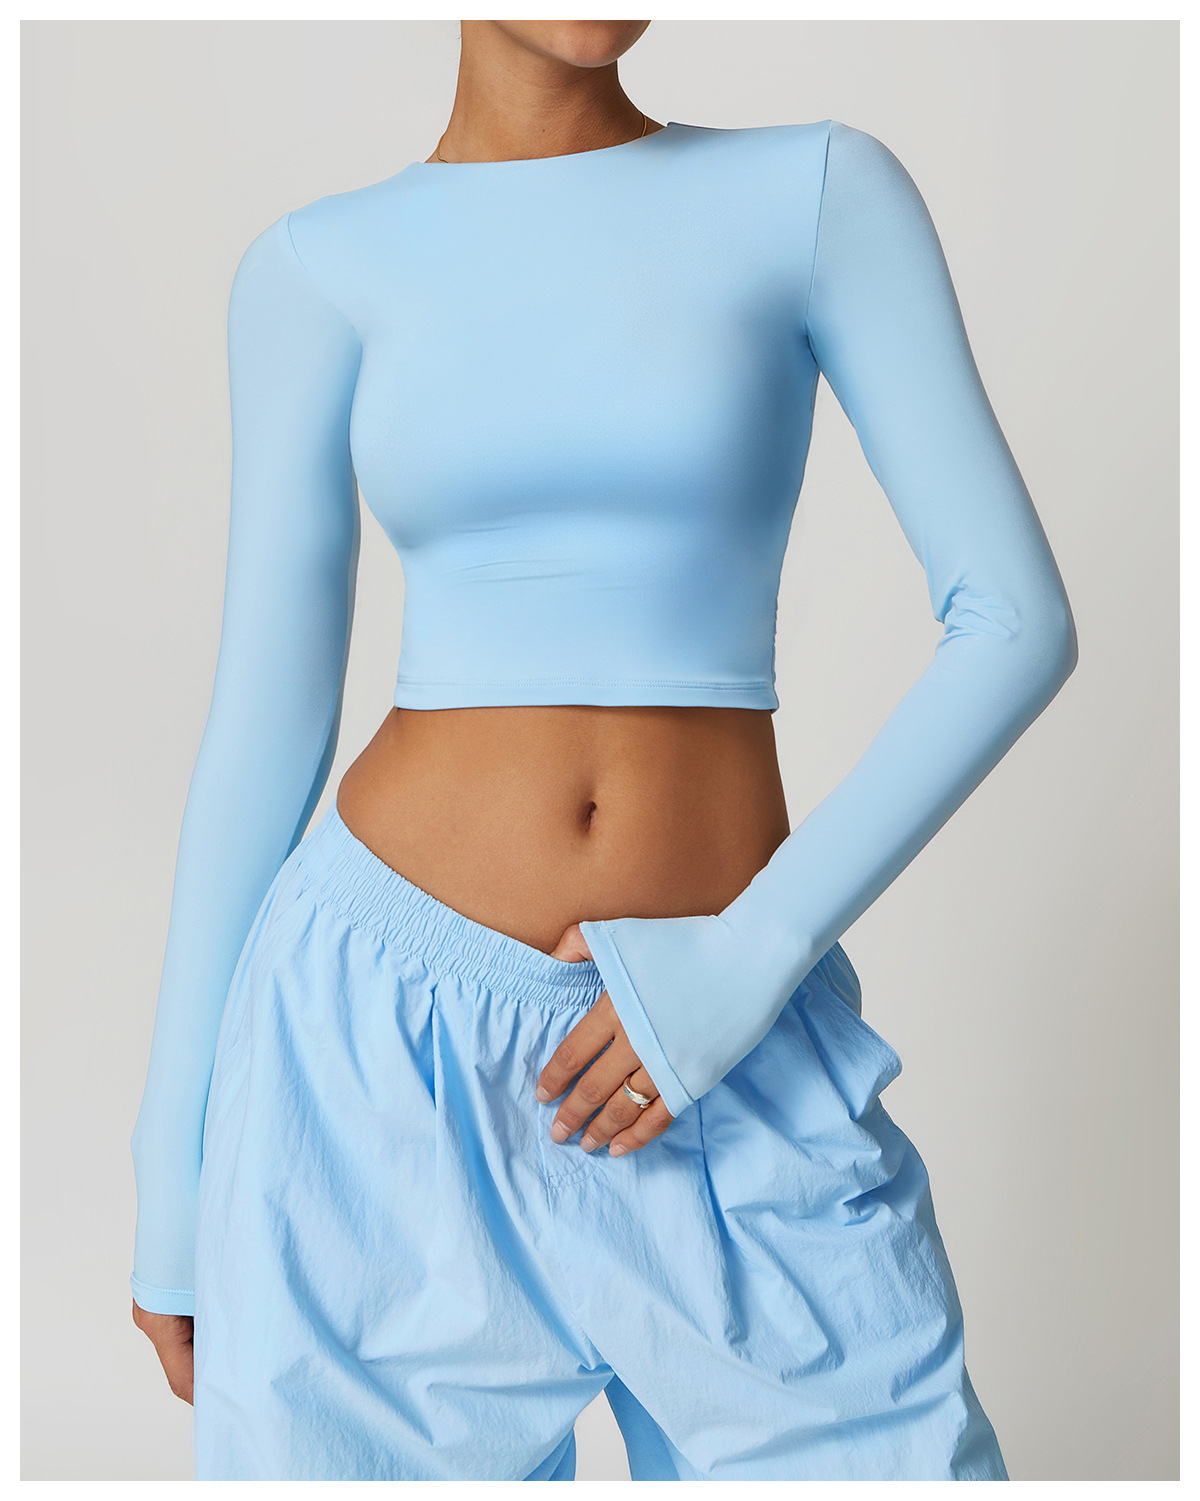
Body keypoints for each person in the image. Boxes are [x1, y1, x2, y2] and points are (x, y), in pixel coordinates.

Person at [128, 17, 1076, 1483]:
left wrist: (752, 954)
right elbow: (264, 722)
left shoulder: (817, 193)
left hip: (733, 1034)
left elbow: (1013, 621)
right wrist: (169, 1178)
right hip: (374, 1056)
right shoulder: (316, 268)